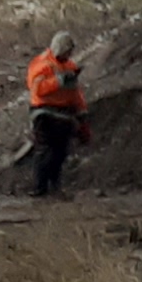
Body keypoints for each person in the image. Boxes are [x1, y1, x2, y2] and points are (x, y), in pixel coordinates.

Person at [24, 34, 90, 198]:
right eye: (67, 51)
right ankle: (39, 187)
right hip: (43, 113)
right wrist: (58, 81)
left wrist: (82, 112)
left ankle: (55, 186)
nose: (69, 54)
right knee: (45, 150)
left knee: (60, 152)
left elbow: (75, 92)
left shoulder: (70, 66)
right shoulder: (41, 64)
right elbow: (37, 89)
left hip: (63, 115)